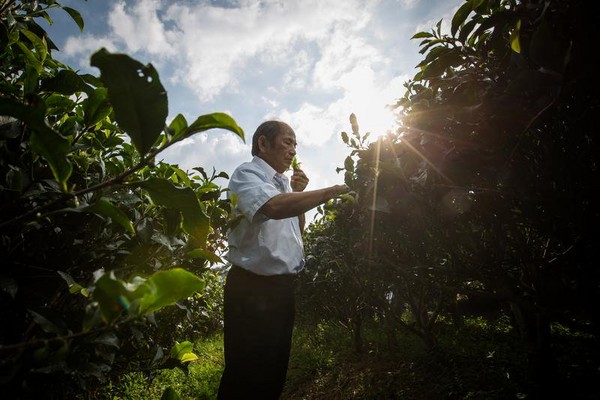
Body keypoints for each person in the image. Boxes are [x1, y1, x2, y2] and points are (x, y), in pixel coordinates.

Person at [217, 120, 348, 399]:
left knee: (272, 372)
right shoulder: (247, 174)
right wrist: (330, 192)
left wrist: (297, 195)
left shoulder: (284, 185)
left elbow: (294, 233)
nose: (292, 150)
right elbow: (273, 208)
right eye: (287, 142)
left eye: (295, 144)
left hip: (280, 290)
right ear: (263, 143)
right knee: (245, 374)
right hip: (252, 289)